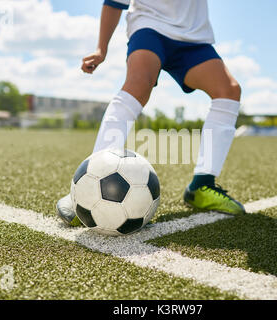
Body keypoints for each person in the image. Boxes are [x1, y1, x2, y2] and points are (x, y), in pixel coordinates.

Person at [57, 0, 245, 227]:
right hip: (150, 26)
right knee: (139, 84)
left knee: (229, 91)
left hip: (193, 37)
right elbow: (115, 2)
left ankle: (201, 185)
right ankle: (85, 191)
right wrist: (101, 49)